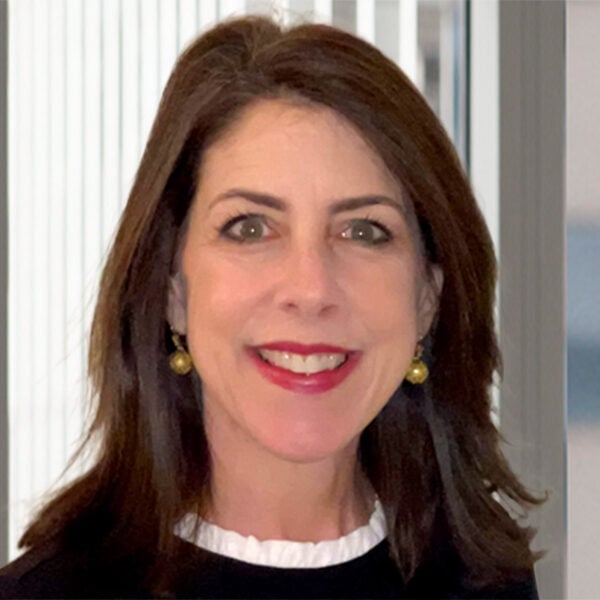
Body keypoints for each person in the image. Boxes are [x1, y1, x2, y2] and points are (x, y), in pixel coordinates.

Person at [0, 14, 543, 599]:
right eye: (250, 227)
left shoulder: (488, 581)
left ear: (428, 299)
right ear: (172, 291)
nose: (310, 289)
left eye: (363, 231)